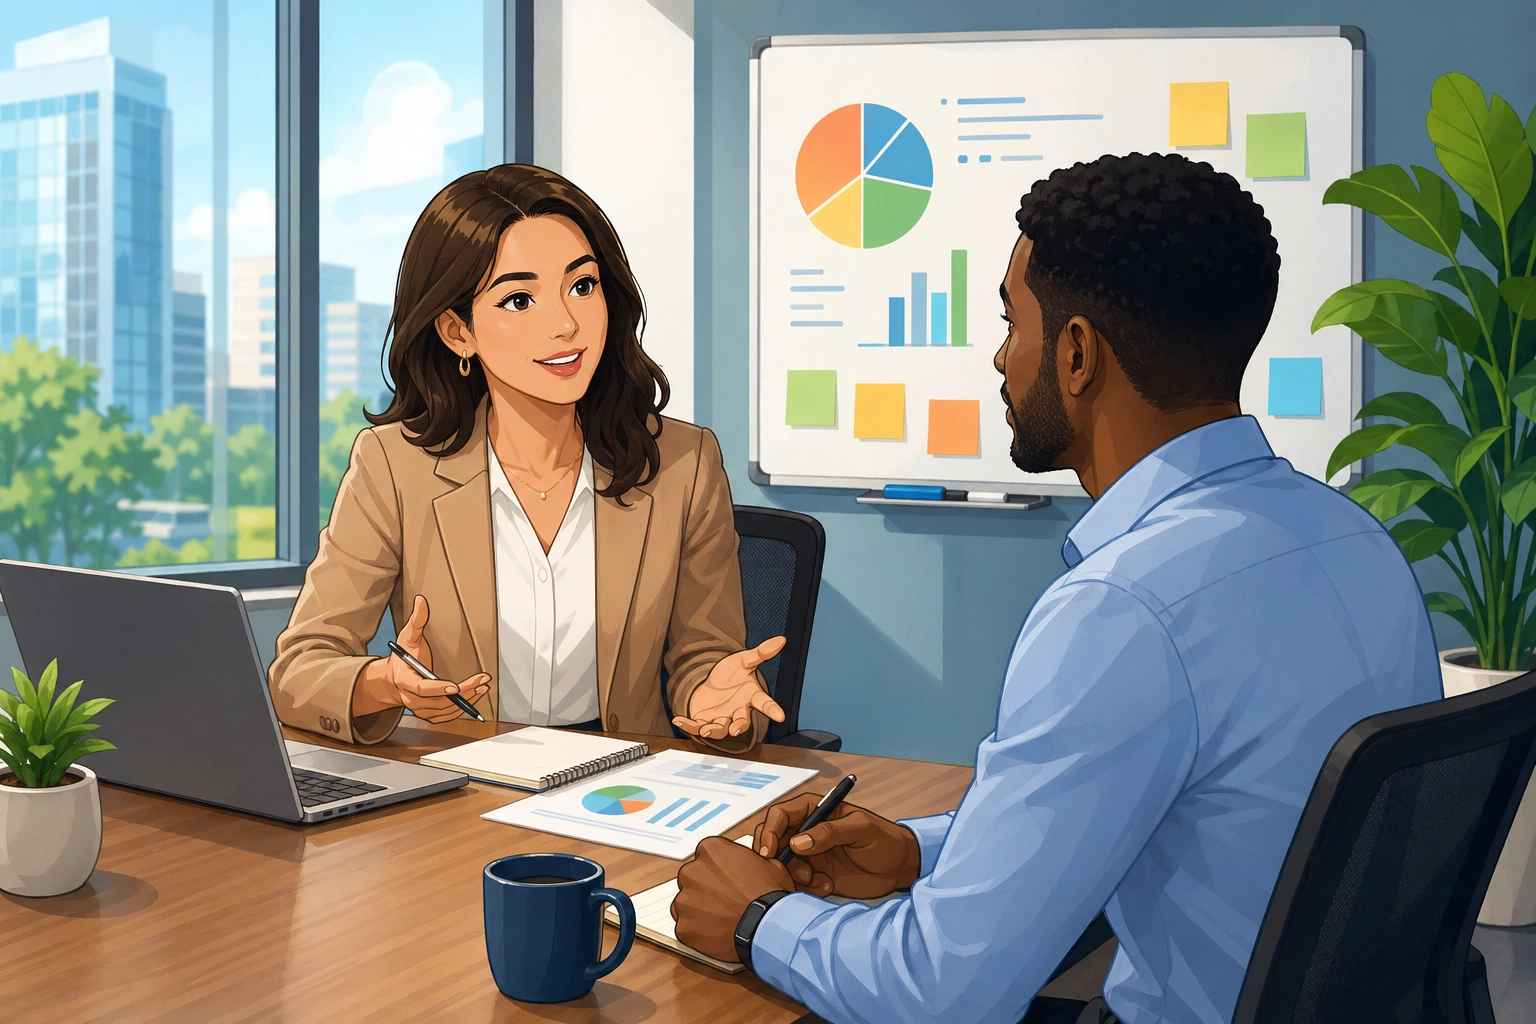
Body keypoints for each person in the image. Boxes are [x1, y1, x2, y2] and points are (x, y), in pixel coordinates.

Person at [671, 152, 1443, 1024]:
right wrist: (916, 852)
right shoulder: (1353, 539)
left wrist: (759, 919)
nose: (1002, 357)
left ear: (1077, 354)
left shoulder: (1125, 610)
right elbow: (1177, 815)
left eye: (1013, 323)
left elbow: (941, 996)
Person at [269, 164, 785, 750]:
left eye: (582, 286)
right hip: (464, 783)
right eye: (519, 299)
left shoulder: (683, 463)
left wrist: (711, 698)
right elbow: (299, 670)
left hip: (624, 783)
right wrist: (385, 683)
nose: (566, 324)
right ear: (457, 331)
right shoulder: (394, 465)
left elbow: (705, 657)